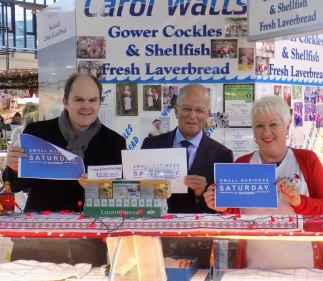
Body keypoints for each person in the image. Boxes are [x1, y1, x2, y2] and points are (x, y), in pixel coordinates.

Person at [3, 73, 127, 266]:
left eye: (93, 100)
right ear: (65, 102)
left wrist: (97, 188)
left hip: (90, 244)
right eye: (79, 99)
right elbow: (17, 185)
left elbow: (119, 196)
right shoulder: (37, 133)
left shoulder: (115, 142)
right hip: (38, 241)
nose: (87, 106)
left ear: (99, 103)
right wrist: (12, 168)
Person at [203, 95, 323, 270]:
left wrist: (300, 202)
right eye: (259, 126)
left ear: (287, 127)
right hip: (255, 265)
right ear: (253, 131)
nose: (266, 132)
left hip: (306, 265)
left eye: (273, 124)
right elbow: (238, 213)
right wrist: (223, 207)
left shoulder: (307, 160)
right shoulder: (242, 164)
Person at [141, 84, 234, 213]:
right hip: (155, 227)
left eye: (199, 111)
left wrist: (203, 192)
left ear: (207, 114)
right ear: (176, 111)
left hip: (200, 231)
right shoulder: (150, 145)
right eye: (186, 109)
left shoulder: (223, 155)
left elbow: (225, 209)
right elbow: (138, 193)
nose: (192, 115)